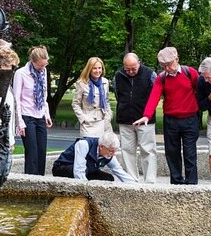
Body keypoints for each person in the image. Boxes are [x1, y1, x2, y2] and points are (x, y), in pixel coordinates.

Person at [133, 47, 200, 185]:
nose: (167, 68)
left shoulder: (190, 73)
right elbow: (154, 97)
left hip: (190, 119)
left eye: (169, 64)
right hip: (171, 121)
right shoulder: (161, 78)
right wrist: (146, 115)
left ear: (177, 59)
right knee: (172, 153)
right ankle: (176, 183)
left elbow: (200, 90)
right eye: (164, 66)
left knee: (190, 153)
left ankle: (192, 184)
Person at [113, 53, 157, 183]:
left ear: (139, 62)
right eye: (128, 69)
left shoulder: (150, 74)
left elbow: (154, 96)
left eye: (133, 68)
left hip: (145, 120)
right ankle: (131, 180)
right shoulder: (118, 75)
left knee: (148, 150)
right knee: (127, 151)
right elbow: (117, 94)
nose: (131, 71)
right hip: (125, 119)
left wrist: (147, 114)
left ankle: (150, 181)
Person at [13, 45, 53, 175]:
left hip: (39, 114)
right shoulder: (21, 73)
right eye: (40, 65)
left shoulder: (43, 72)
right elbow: (16, 99)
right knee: (32, 151)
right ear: (33, 62)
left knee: (41, 150)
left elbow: (44, 94)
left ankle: (40, 180)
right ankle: (30, 180)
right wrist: (20, 122)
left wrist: (47, 115)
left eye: (44, 65)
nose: (42, 68)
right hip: (26, 114)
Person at [52, 132, 135, 182]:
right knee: (85, 169)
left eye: (114, 151)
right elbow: (79, 170)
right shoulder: (84, 144)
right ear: (102, 146)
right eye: (111, 151)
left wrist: (135, 186)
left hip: (88, 170)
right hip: (63, 167)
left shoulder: (109, 153)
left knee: (108, 178)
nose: (113, 154)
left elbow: (118, 170)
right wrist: (85, 188)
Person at [72, 57, 112, 138]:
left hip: (103, 121)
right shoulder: (82, 83)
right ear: (89, 69)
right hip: (89, 122)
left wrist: (109, 115)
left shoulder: (105, 82)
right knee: (89, 148)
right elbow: (75, 103)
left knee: (103, 149)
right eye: (94, 68)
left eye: (99, 68)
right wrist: (83, 119)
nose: (97, 71)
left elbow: (106, 101)